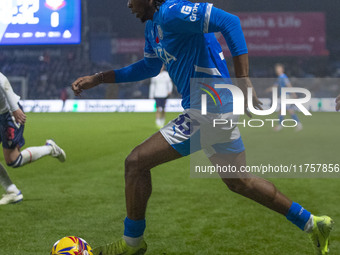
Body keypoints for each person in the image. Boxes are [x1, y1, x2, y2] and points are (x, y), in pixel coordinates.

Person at [71, 1, 333, 254]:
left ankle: (132, 244)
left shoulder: (172, 12)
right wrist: (100, 78)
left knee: (136, 162)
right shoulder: (152, 28)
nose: (128, 5)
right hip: (214, 107)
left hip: (210, 107)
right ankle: (312, 223)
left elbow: (230, 22)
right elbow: (150, 66)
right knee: (240, 182)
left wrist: (244, 81)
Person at [0, 72, 66, 205]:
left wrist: (15, 109)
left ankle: (50, 149)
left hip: (9, 114)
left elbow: (3, 81)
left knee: (13, 160)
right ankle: (12, 192)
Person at [267, 63, 303, 131]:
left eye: (278, 68)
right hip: (283, 96)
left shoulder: (283, 76)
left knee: (289, 110)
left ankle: (298, 124)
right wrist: (267, 90)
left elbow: (288, 85)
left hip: (285, 96)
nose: (277, 70)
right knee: (281, 111)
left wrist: (294, 94)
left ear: (282, 69)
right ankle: (280, 125)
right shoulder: (280, 77)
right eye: (276, 69)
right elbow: (275, 86)